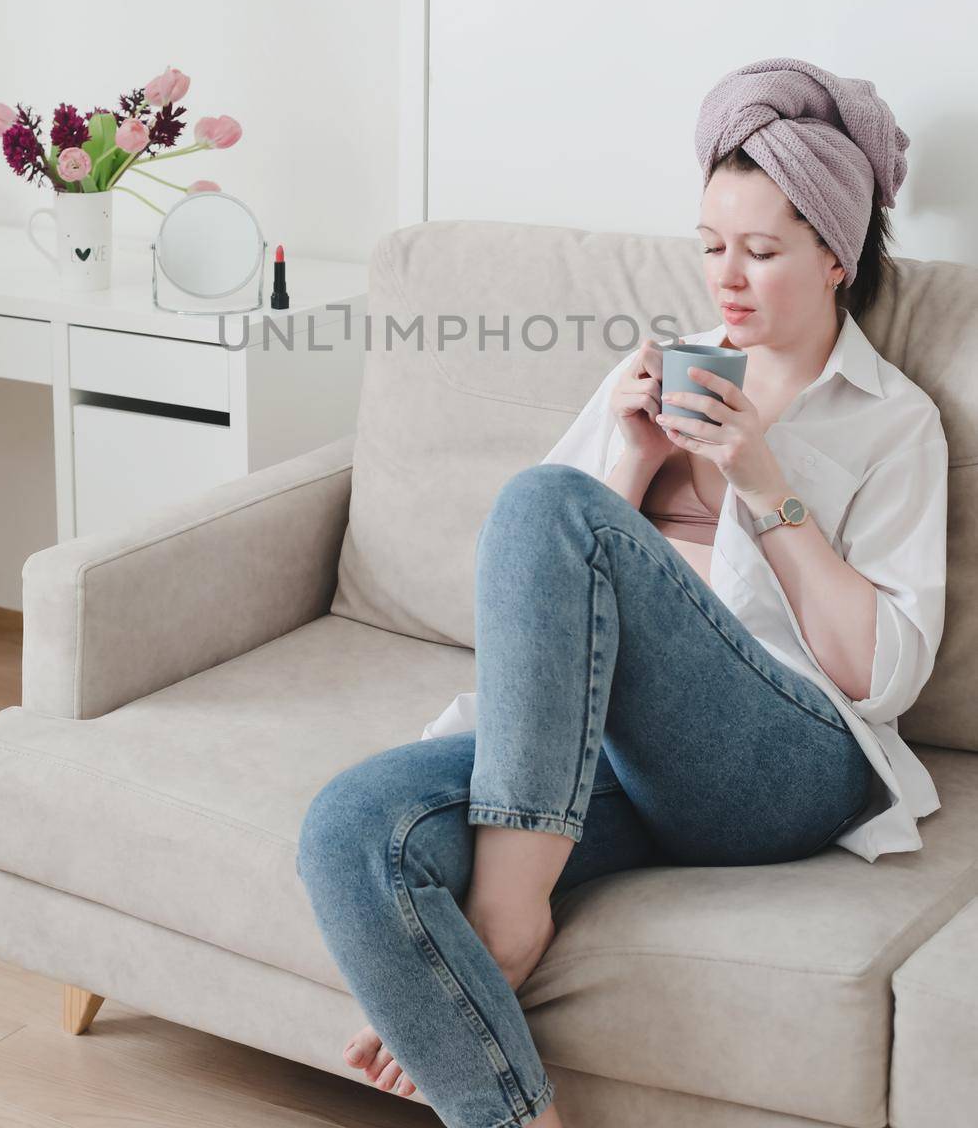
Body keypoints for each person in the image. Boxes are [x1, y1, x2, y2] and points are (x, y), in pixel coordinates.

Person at [296, 57, 949, 1128]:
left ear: (833, 256)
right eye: (708, 248)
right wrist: (634, 463)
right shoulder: (653, 376)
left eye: (760, 251)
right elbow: (535, 601)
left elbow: (877, 678)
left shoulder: (890, 420)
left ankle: (506, 921)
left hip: (783, 761)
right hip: (605, 757)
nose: (724, 279)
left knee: (548, 504)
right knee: (351, 828)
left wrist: (763, 484)